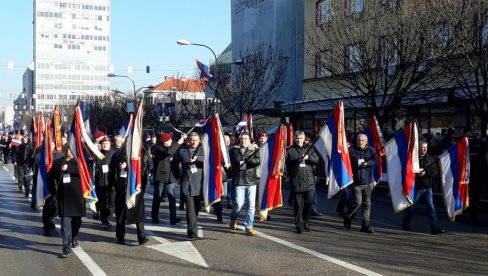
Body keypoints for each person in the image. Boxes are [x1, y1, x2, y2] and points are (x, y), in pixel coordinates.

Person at [110, 141, 149, 245]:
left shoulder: (140, 154)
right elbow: (111, 170)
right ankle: (120, 237)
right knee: (121, 213)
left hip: (136, 188)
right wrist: (114, 184)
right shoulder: (117, 154)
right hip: (121, 187)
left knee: (138, 213)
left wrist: (129, 165)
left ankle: (141, 237)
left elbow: (144, 169)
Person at [402, 142, 445, 234]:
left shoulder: (430, 158)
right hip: (417, 187)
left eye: (426, 147)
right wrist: (417, 174)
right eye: (422, 147)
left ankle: (434, 227)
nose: (424, 149)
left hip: (427, 187)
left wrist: (426, 173)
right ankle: (406, 224)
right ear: (419, 148)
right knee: (411, 208)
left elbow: (435, 171)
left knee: (431, 208)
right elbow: (409, 171)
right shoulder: (414, 159)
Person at [51, 148, 85, 258]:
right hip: (63, 198)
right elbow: (49, 177)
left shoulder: (80, 162)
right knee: (65, 224)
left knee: (77, 221)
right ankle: (66, 247)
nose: (69, 153)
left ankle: (74, 237)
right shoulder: (58, 162)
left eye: (72, 150)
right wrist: (53, 192)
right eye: (68, 150)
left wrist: (69, 168)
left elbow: (87, 173)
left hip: (77, 197)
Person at [286, 130, 320, 233]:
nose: (299, 140)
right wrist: (285, 176)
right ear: (294, 138)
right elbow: (282, 164)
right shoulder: (289, 150)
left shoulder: (309, 148)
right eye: (297, 138)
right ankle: (299, 225)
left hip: (309, 181)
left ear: (304, 138)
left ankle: (305, 221)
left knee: (309, 202)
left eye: (300, 138)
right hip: (296, 181)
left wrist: (308, 157)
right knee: (298, 205)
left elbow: (317, 160)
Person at [343, 134, 377, 233]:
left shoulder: (371, 150)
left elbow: (376, 161)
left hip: (368, 181)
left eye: (362, 140)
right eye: (359, 140)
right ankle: (348, 216)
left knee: (367, 203)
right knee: (357, 202)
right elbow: (345, 162)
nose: (360, 142)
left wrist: (368, 164)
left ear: (366, 141)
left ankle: (365, 225)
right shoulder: (351, 150)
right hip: (356, 182)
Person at [228, 131, 260, 236]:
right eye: (242, 138)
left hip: (251, 181)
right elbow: (228, 164)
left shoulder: (255, 150)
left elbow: (258, 161)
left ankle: (249, 226)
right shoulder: (233, 150)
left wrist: (249, 160)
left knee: (251, 205)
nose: (243, 140)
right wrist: (229, 175)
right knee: (238, 204)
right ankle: (233, 219)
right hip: (238, 181)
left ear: (249, 140)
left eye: (246, 139)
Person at [151, 132, 186, 224]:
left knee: (172, 198)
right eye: (169, 139)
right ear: (165, 141)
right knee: (157, 197)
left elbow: (176, 162)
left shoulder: (172, 148)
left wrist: (178, 176)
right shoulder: (158, 148)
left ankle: (173, 218)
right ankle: (154, 216)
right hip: (160, 177)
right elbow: (168, 151)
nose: (171, 141)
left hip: (170, 177)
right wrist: (178, 142)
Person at [177, 132, 204, 240]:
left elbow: (208, 159)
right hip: (187, 184)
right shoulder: (182, 151)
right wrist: (178, 177)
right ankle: (193, 232)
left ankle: (191, 228)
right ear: (188, 141)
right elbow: (174, 164)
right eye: (192, 140)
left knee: (196, 208)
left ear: (199, 141)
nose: (194, 142)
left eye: (196, 140)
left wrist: (198, 158)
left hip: (199, 184)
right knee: (190, 209)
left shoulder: (203, 151)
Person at [94, 134, 116, 230]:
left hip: (111, 182)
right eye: (103, 143)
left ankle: (109, 218)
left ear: (110, 144)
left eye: (106, 143)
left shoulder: (114, 153)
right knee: (102, 203)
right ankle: (104, 221)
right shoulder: (98, 153)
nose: (105, 145)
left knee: (111, 202)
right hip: (100, 182)